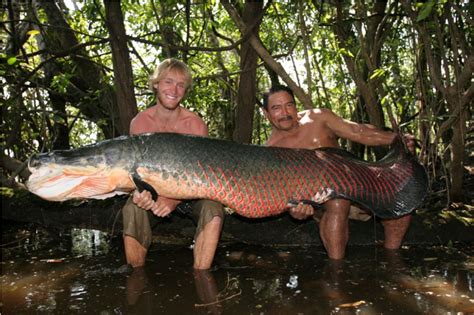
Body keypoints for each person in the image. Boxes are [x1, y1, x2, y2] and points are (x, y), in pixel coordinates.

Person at [262, 85, 414, 260]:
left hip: (355, 184)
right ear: (266, 113)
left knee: (401, 201)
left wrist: (395, 139)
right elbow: (283, 193)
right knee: (338, 201)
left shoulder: (319, 118)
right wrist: (294, 210)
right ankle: (337, 272)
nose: (285, 112)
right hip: (321, 201)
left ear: (295, 106)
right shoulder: (271, 151)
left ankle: (393, 259)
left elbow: (358, 132)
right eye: (276, 108)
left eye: (289, 105)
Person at [122, 58, 224, 270]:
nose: (174, 90)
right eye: (168, 82)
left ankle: (202, 276)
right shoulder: (140, 122)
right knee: (132, 208)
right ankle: (135, 274)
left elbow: (201, 176)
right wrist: (142, 194)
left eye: (180, 85)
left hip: (189, 196)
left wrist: (173, 201)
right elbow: (137, 173)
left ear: (185, 90)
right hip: (154, 194)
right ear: (156, 84)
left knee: (213, 209)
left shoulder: (195, 125)